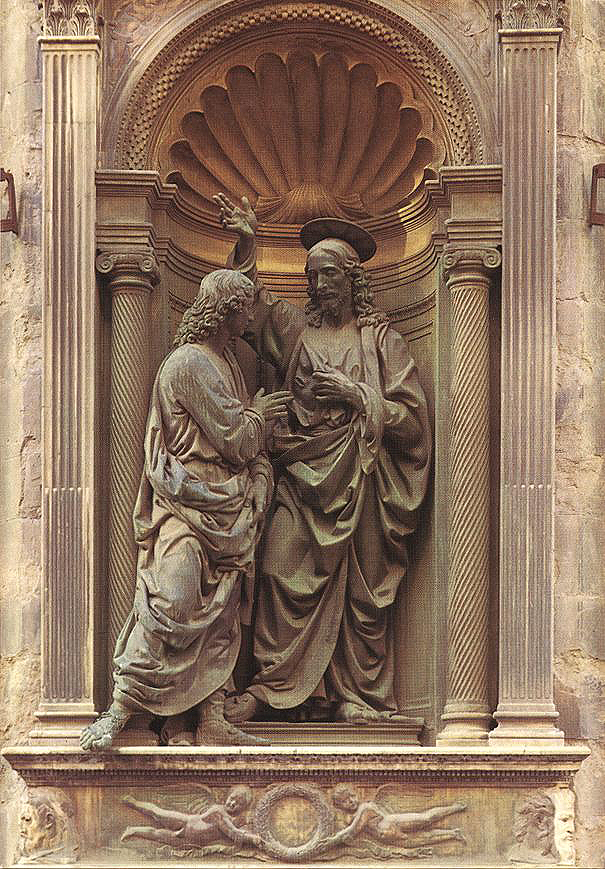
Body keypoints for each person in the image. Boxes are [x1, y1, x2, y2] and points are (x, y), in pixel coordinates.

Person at [215, 195, 431, 726]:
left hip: (359, 480)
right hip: (300, 475)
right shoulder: (296, 331)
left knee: (361, 596)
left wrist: (359, 396)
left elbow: (412, 422)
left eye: (328, 274)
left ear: (352, 279)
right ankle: (274, 688)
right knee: (276, 570)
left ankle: (355, 697)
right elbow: (248, 310)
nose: (317, 285)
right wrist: (248, 244)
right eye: (311, 275)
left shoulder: (381, 342)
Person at [80, 269, 291, 749]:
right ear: (225, 311)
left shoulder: (226, 362)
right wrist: (261, 416)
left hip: (227, 506)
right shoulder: (189, 363)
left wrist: (258, 464)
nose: (250, 318)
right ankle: (121, 709)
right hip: (188, 502)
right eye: (244, 309)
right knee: (172, 600)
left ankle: (211, 716)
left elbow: (242, 441)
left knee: (221, 613)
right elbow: (237, 439)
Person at [121, 787, 260, 850]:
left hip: (192, 840)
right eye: (232, 798)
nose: (233, 803)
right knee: (157, 812)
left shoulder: (235, 821)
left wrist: (250, 833)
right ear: (227, 796)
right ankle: (133, 802)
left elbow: (235, 831)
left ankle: (133, 830)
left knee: (157, 835)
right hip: (187, 821)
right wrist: (252, 839)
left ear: (243, 808)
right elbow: (232, 832)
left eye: (239, 803)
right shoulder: (219, 811)